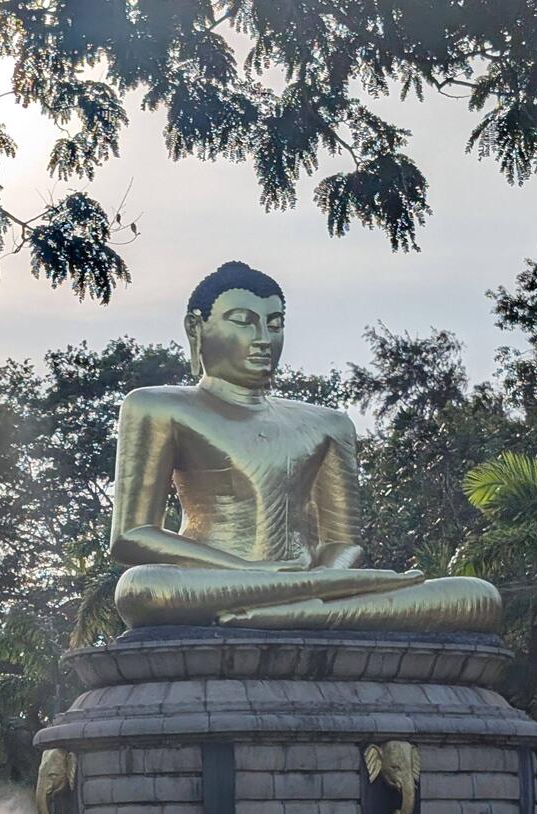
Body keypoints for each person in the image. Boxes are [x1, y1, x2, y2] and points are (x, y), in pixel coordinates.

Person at [109, 260, 502, 631]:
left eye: (274, 324)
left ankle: (283, 612)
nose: (263, 340)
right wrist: (252, 572)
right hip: (214, 583)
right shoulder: (158, 407)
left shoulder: (327, 423)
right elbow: (131, 536)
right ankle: (300, 610)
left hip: (314, 583)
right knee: (143, 589)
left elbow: (342, 542)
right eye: (243, 322)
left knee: (476, 597)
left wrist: (322, 579)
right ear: (195, 328)